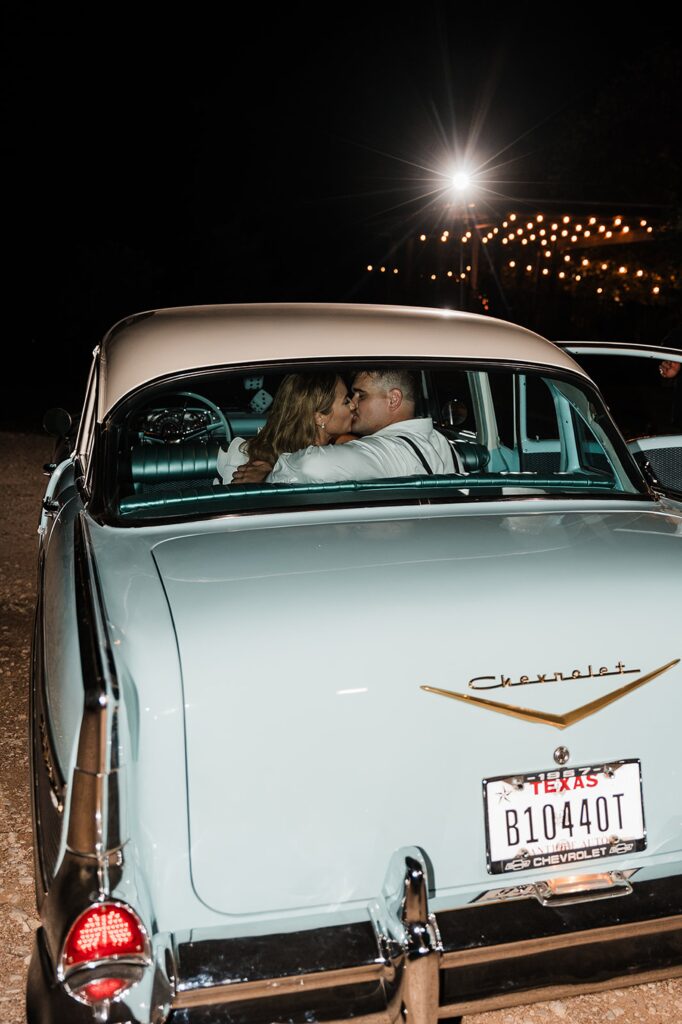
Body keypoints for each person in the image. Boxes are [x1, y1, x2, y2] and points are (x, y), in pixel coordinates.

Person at [234, 368, 461, 484]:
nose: (353, 404)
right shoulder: (440, 442)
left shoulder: (385, 451)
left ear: (393, 399)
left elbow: (310, 466)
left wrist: (267, 479)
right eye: (348, 398)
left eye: (360, 395)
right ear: (318, 416)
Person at [218, 373, 356, 484]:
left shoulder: (345, 444)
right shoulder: (259, 464)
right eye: (346, 401)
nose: (353, 405)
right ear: (319, 417)